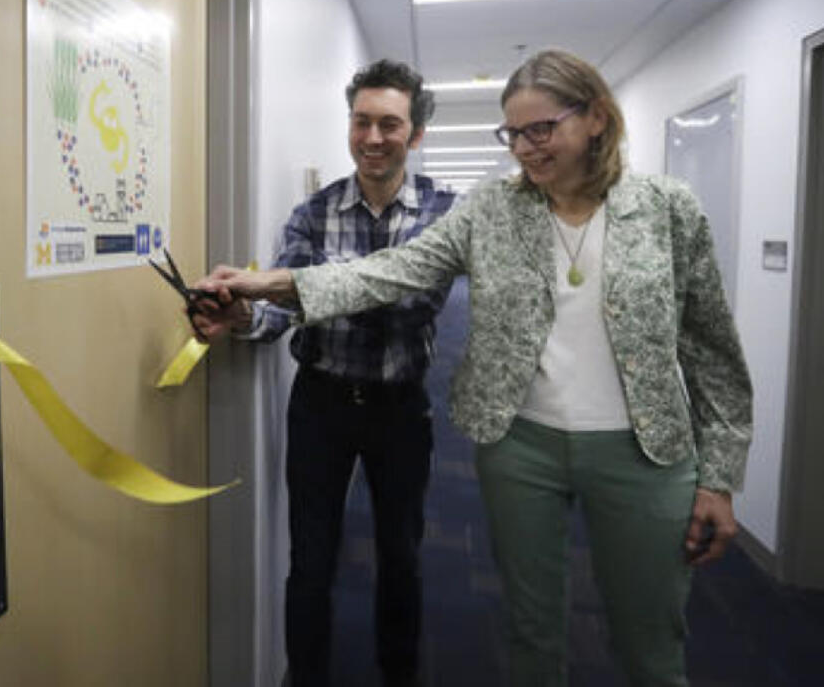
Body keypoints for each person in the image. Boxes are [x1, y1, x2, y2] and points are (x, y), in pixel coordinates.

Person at [194, 49, 753, 687]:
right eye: (512, 133)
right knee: (529, 628)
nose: (525, 148)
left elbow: (712, 350)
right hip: (513, 442)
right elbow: (387, 272)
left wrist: (720, 474)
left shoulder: (667, 208)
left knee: (649, 638)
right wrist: (261, 287)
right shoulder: (491, 209)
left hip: (641, 451)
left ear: (597, 118)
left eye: (542, 129)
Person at [201, 59, 448, 687]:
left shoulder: (446, 215)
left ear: (415, 134)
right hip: (322, 405)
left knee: (401, 557)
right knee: (310, 560)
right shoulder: (312, 213)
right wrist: (240, 320)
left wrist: (301, 289)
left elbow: (411, 299)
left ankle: (400, 673)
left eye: (389, 124)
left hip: (401, 409)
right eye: (361, 122)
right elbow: (278, 314)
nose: (372, 138)